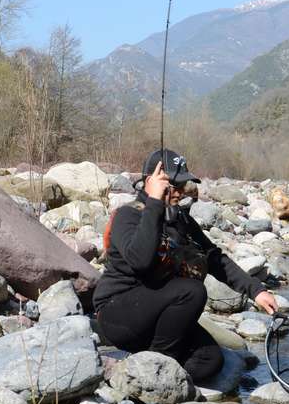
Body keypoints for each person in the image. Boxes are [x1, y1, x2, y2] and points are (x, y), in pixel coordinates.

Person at [93, 149, 279, 381]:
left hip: (158, 316)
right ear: (152, 182)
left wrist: (256, 290)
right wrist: (153, 203)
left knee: (211, 360)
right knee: (191, 291)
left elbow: (214, 258)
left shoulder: (181, 220)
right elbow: (140, 261)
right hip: (117, 314)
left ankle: (156, 370)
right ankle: (157, 368)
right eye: (175, 186)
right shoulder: (128, 216)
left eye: (184, 185)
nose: (182, 192)